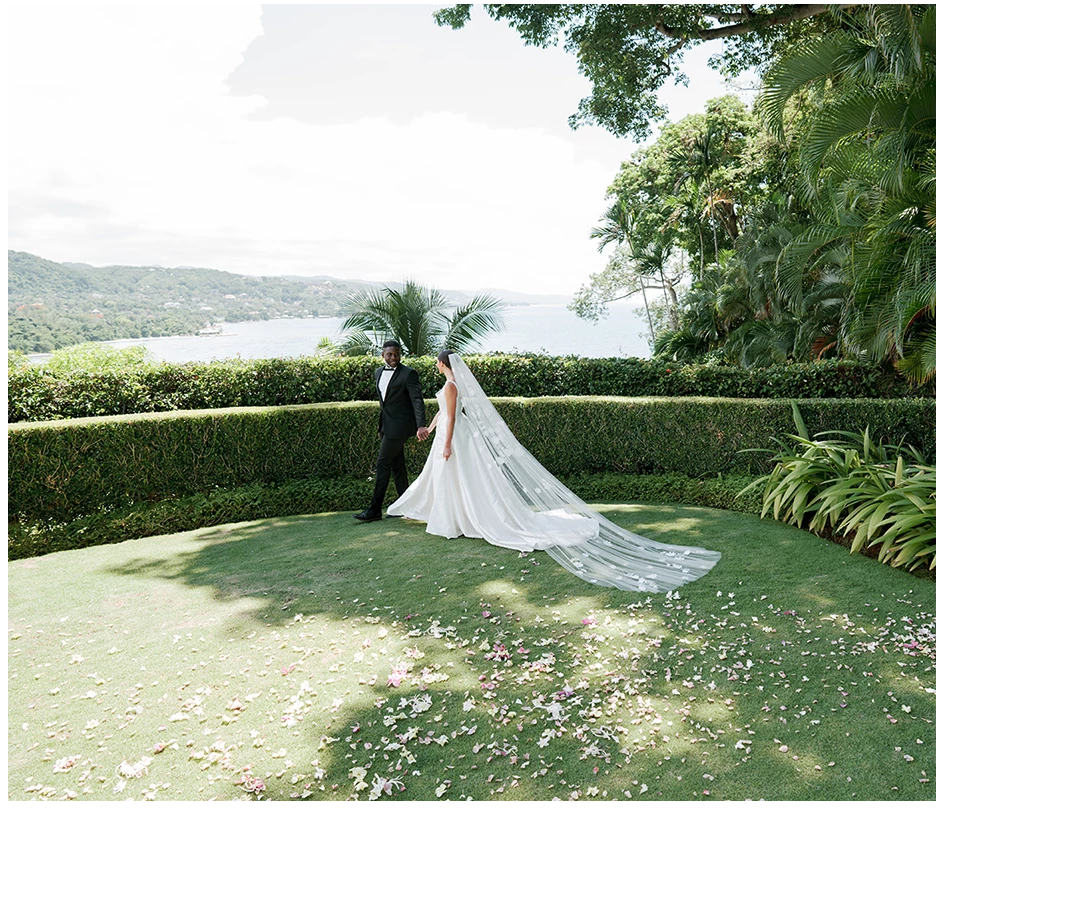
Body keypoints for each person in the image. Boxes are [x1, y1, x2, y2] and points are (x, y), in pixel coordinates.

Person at [387, 351, 720, 593]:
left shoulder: (451, 386)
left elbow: (453, 417)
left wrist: (445, 443)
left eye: (438, 362)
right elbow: (443, 414)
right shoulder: (451, 386)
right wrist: (429, 428)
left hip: (456, 439)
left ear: (443, 364)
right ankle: (457, 518)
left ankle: (460, 519)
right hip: (448, 434)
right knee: (456, 482)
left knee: (458, 479)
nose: (437, 366)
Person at [354, 339, 430, 522]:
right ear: (383, 355)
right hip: (387, 426)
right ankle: (408, 506)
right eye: (389, 354)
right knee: (398, 467)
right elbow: (385, 403)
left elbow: (417, 400)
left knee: (383, 464)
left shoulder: (408, 374)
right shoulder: (378, 372)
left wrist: (421, 425)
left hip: (400, 427)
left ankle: (375, 509)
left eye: (396, 354)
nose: (393, 357)